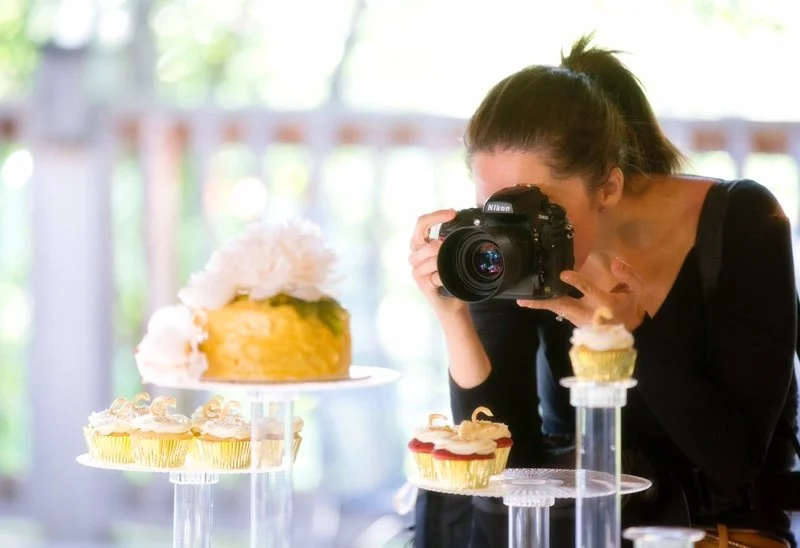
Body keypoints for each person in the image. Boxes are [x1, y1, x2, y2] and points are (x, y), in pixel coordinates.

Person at [408, 34, 799, 547]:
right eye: (495, 205)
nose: (511, 229)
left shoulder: (741, 223)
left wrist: (630, 337)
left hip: (717, 528)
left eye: (536, 204)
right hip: (579, 527)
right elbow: (507, 470)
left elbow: (735, 461)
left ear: (608, 187)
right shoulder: (502, 248)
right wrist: (454, 318)